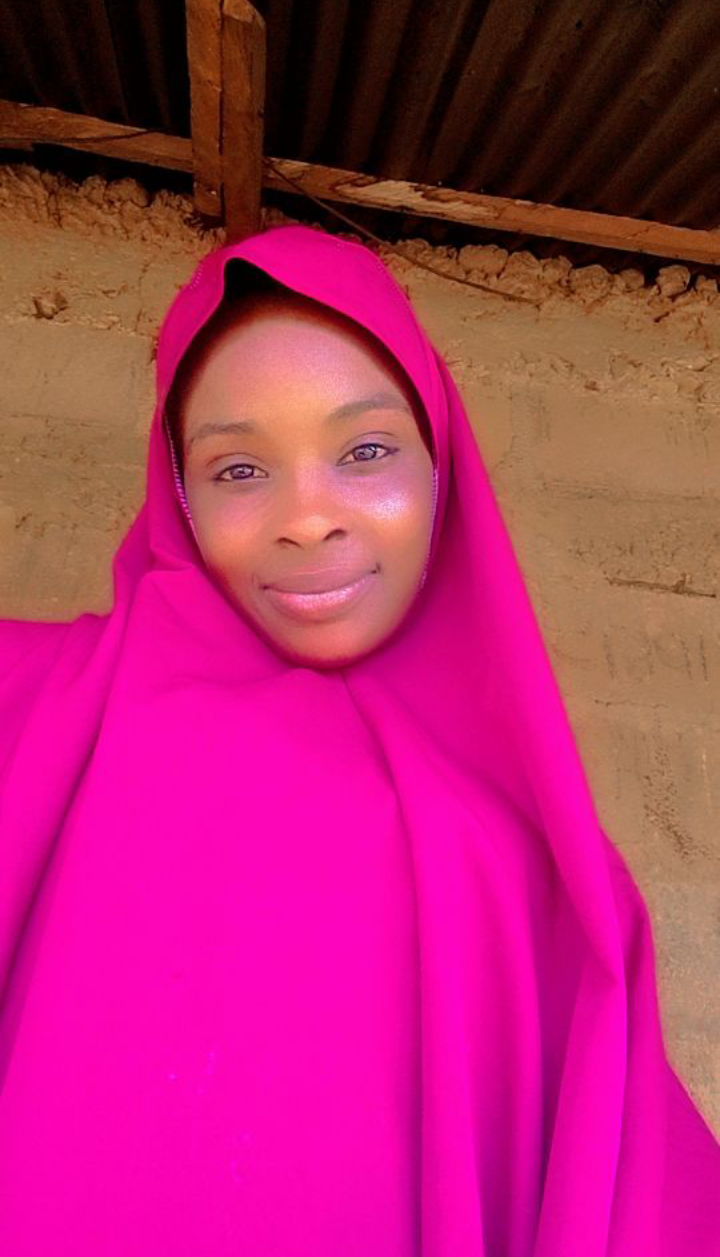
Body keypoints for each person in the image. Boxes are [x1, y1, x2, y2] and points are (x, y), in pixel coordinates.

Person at [0, 223, 717, 1255]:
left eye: (366, 451)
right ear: (178, 496)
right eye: (238, 468)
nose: (307, 517)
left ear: (442, 466)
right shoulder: (49, 715)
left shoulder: (551, 879)